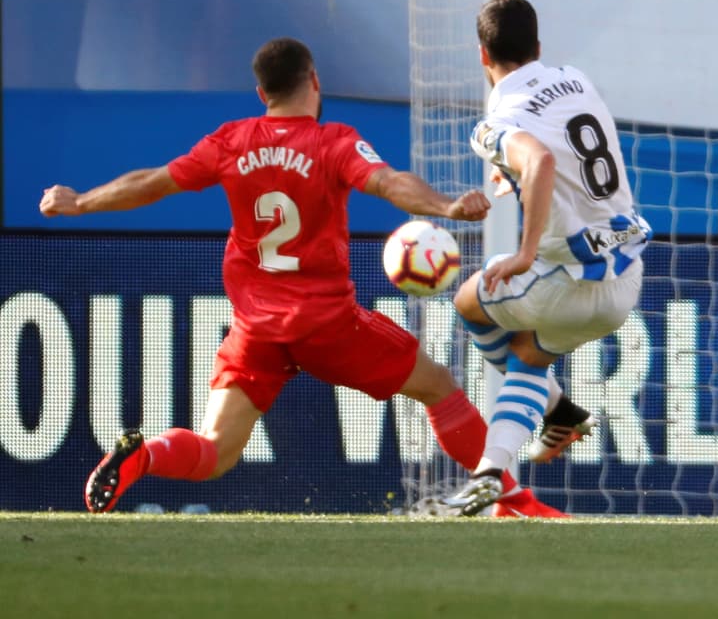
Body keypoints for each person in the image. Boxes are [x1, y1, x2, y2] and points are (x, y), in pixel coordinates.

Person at [40, 37, 564, 518]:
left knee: (215, 450)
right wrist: (445, 205)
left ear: (261, 92)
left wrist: (81, 201)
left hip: (256, 330)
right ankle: (512, 502)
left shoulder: (232, 141)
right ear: (313, 81)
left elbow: (151, 183)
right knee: (441, 389)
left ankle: (145, 456)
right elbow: (388, 183)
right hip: (327, 326)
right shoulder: (331, 142)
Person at [432, 0, 651, 516]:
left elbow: (544, 158)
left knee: (467, 301)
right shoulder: (576, 78)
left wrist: (526, 252)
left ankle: (522, 443)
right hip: (625, 275)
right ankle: (511, 457)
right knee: (530, 353)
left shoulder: (494, 122)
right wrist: (514, 174)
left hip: (563, 277)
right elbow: (565, 149)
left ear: (482, 56)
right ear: (538, 46)